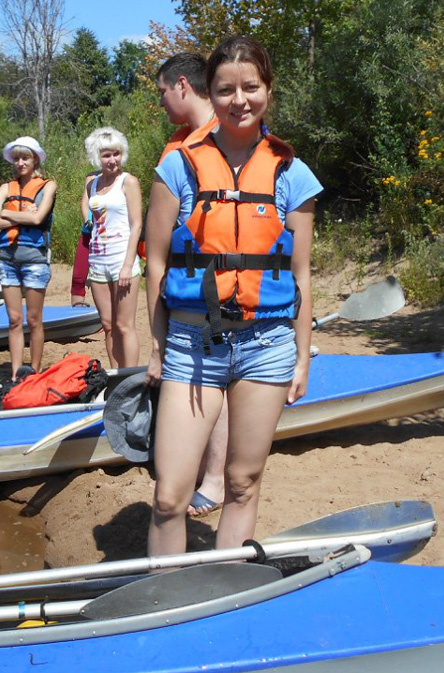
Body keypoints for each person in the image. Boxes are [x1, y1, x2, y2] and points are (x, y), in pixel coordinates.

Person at [145, 36, 321, 555]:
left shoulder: (292, 172)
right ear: (210, 92)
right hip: (190, 345)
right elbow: (155, 261)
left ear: (268, 89)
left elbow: (302, 276)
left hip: (267, 345)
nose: (238, 100)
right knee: (168, 495)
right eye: (225, 89)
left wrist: (302, 361)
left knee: (243, 483)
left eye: (251, 87)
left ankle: (226, 587)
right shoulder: (178, 166)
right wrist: (157, 345)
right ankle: (164, 602)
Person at [155, 52, 227, 518]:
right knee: (198, 381)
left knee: (215, 380)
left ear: (182, 85)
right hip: (184, 291)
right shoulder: (180, 143)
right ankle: (202, 468)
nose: (161, 101)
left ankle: (216, 479)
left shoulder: (224, 138)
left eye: (162, 92)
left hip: (218, 295)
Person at [0, 136, 58, 380]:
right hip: (8, 259)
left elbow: (38, 219)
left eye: (25, 157)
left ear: (34, 159)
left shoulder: (48, 186)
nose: (20, 163)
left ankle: (35, 371)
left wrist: (6, 214)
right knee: (14, 319)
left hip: (34, 260)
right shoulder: (6, 189)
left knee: (34, 318)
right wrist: (17, 213)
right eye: (16, 158)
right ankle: (17, 373)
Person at [81, 127, 142, 368]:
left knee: (124, 326)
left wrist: (127, 265)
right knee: (107, 325)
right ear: (97, 157)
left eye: (116, 154)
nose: (112, 160)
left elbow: (136, 225)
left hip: (122, 260)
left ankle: (132, 378)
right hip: (98, 262)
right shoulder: (92, 185)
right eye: (106, 155)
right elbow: (91, 220)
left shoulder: (129, 182)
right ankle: (117, 378)